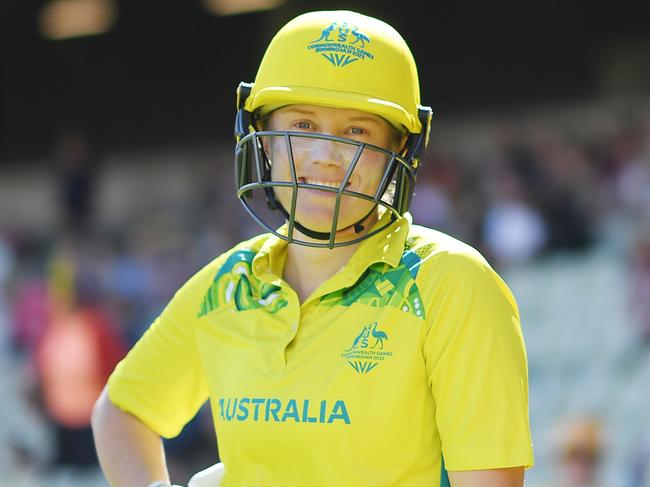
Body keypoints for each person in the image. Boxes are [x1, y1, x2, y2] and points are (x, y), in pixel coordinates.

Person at [92, 9, 534, 487]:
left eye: (356, 132)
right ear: (262, 140)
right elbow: (121, 413)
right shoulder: (229, 285)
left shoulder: (451, 285)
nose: (326, 156)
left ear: (402, 149)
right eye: (302, 126)